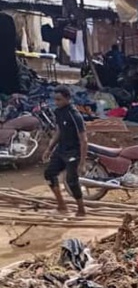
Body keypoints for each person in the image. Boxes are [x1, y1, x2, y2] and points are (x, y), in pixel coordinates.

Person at [42, 86, 87, 217]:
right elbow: (59, 131)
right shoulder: (58, 112)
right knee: (49, 174)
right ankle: (62, 206)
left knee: (71, 181)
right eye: (55, 99)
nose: (56, 102)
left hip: (73, 152)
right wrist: (49, 149)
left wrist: (82, 163)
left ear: (68, 99)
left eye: (59, 99)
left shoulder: (75, 115)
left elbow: (84, 140)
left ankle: (81, 210)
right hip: (61, 149)